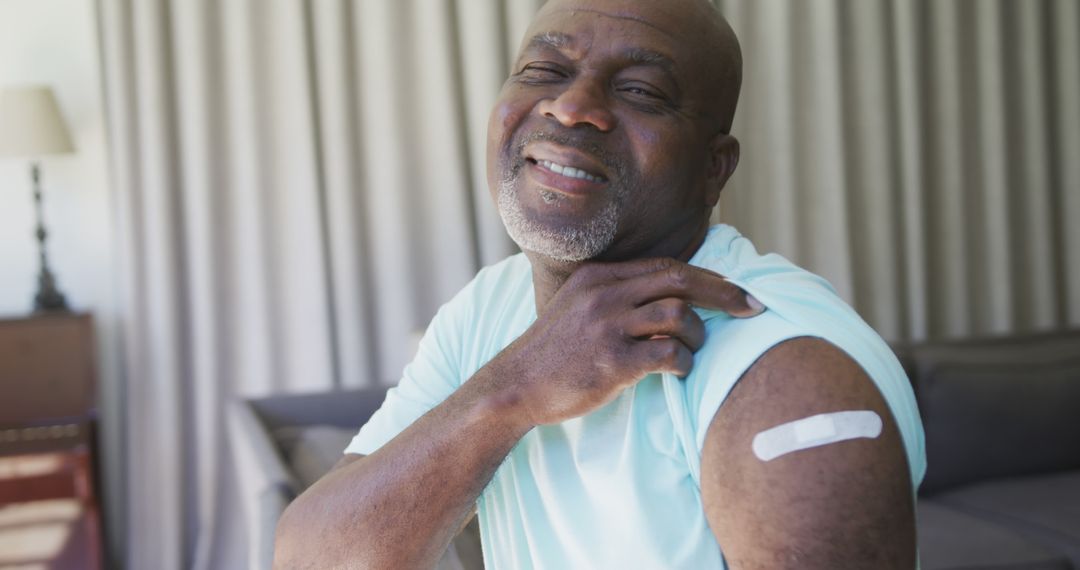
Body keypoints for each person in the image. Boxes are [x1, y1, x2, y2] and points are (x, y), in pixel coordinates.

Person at [274, 0, 925, 567]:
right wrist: (518, 386)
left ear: (714, 169)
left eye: (641, 90)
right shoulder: (488, 306)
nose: (572, 106)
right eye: (544, 71)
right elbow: (310, 559)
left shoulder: (783, 370)